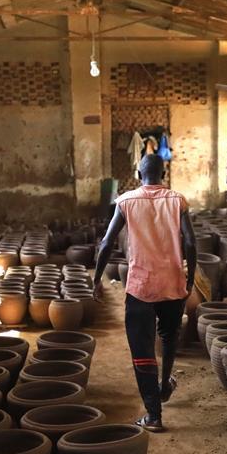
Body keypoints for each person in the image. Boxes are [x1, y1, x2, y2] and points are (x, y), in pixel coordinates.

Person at [93, 155, 197, 432]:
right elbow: (190, 242)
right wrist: (191, 277)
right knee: (168, 336)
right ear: (163, 173)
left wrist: (96, 280)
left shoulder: (126, 201)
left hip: (141, 285)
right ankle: (164, 386)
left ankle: (153, 414)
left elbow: (106, 243)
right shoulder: (178, 200)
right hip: (173, 283)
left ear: (139, 173)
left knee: (142, 347)